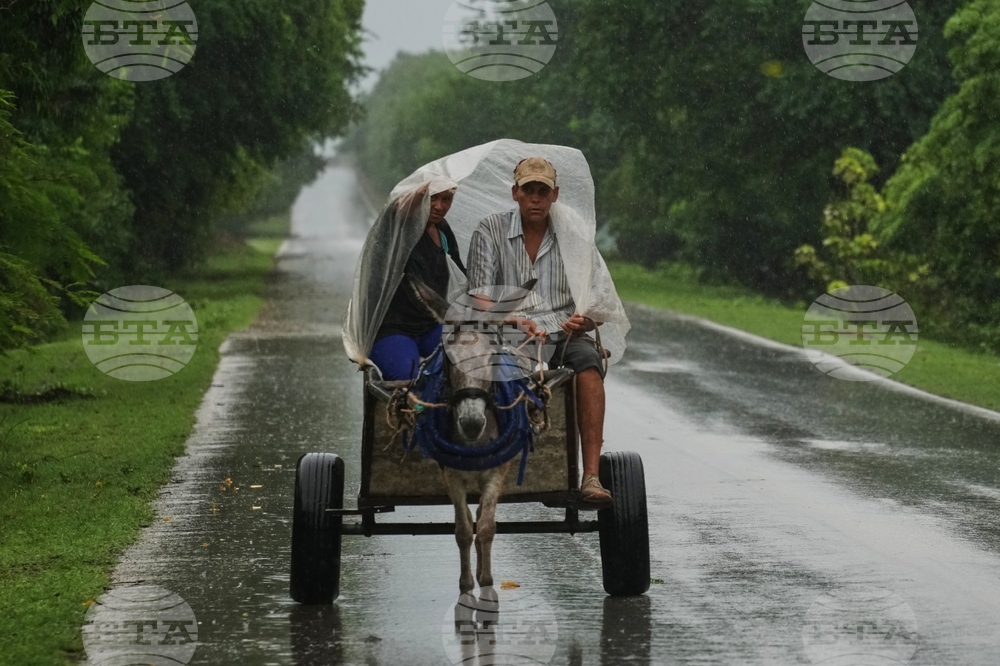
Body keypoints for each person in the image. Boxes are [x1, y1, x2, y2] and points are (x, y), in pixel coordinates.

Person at [466, 157, 613, 502]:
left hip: (563, 331)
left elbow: (598, 299)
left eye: (542, 191)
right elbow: (480, 297)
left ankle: (590, 476)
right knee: (496, 374)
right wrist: (510, 320)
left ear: (555, 195)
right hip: (509, 331)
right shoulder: (490, 230)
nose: (536, 198)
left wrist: (587, 320)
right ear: (515, 193)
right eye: (528, 190)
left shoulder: (573, 234)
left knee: (588, 366)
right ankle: (497, 460)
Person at [368, 184, 466, 380]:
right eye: (432, 198)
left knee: (468, 363)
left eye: (446, 199)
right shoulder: (398, 229)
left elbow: (463, 278)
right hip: (393, 329)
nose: (439, 206)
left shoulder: (443, 231)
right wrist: (425, 186)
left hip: (432, 325)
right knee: (408, 377)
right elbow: (396, 209)